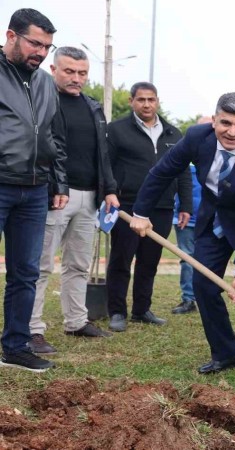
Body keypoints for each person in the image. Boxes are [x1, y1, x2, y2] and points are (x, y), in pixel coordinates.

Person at [129, 93, 235, 397]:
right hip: (215, 220)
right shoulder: (197, 137)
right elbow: (163, 172)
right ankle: (225, 352)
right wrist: (140, 212)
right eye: (225, 122)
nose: (232, 131)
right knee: (203, 285)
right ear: (214, 120)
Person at [28, 47, 119, 356]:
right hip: (55, 195)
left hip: (90, 197)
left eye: (81, 73)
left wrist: (109, 188)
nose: (76, 78)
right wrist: (55, 185)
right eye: (69, 71)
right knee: (40, 265)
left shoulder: (94, 107)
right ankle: (32, 329)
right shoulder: (42, 102)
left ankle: (77, 321)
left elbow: (102, 154)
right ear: (53, 70)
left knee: (79, 264)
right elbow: (44, 149)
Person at [0, 8, 68, 373]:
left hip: (34, 190)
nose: (41, 53)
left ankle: (15, 346)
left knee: (26, 272)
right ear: (11, 36)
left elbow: (54, 136)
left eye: (47, 47)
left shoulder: (44, 82)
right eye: (35, 44)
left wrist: (58, 181)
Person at [105, 81, 192, 332]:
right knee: (121, 260)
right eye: (141, 99)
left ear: (157, 101)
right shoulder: (117, 130)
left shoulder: (174, 134)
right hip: (127, 206)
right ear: (132, 101)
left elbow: (183, 172)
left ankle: (141, 310)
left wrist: (185, 204)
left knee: (149, 261)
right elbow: (107, 165)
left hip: (162, 207)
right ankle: (117, 312)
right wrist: (109, 192)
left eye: (151, 99)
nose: (146, 104)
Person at [171, 115, 211, 315]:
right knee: (187, 260)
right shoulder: (184, 156)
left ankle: (207, 298)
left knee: (209, 261)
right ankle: (188, 299)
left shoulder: (221, 157)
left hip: (212, 221)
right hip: (186, 220)